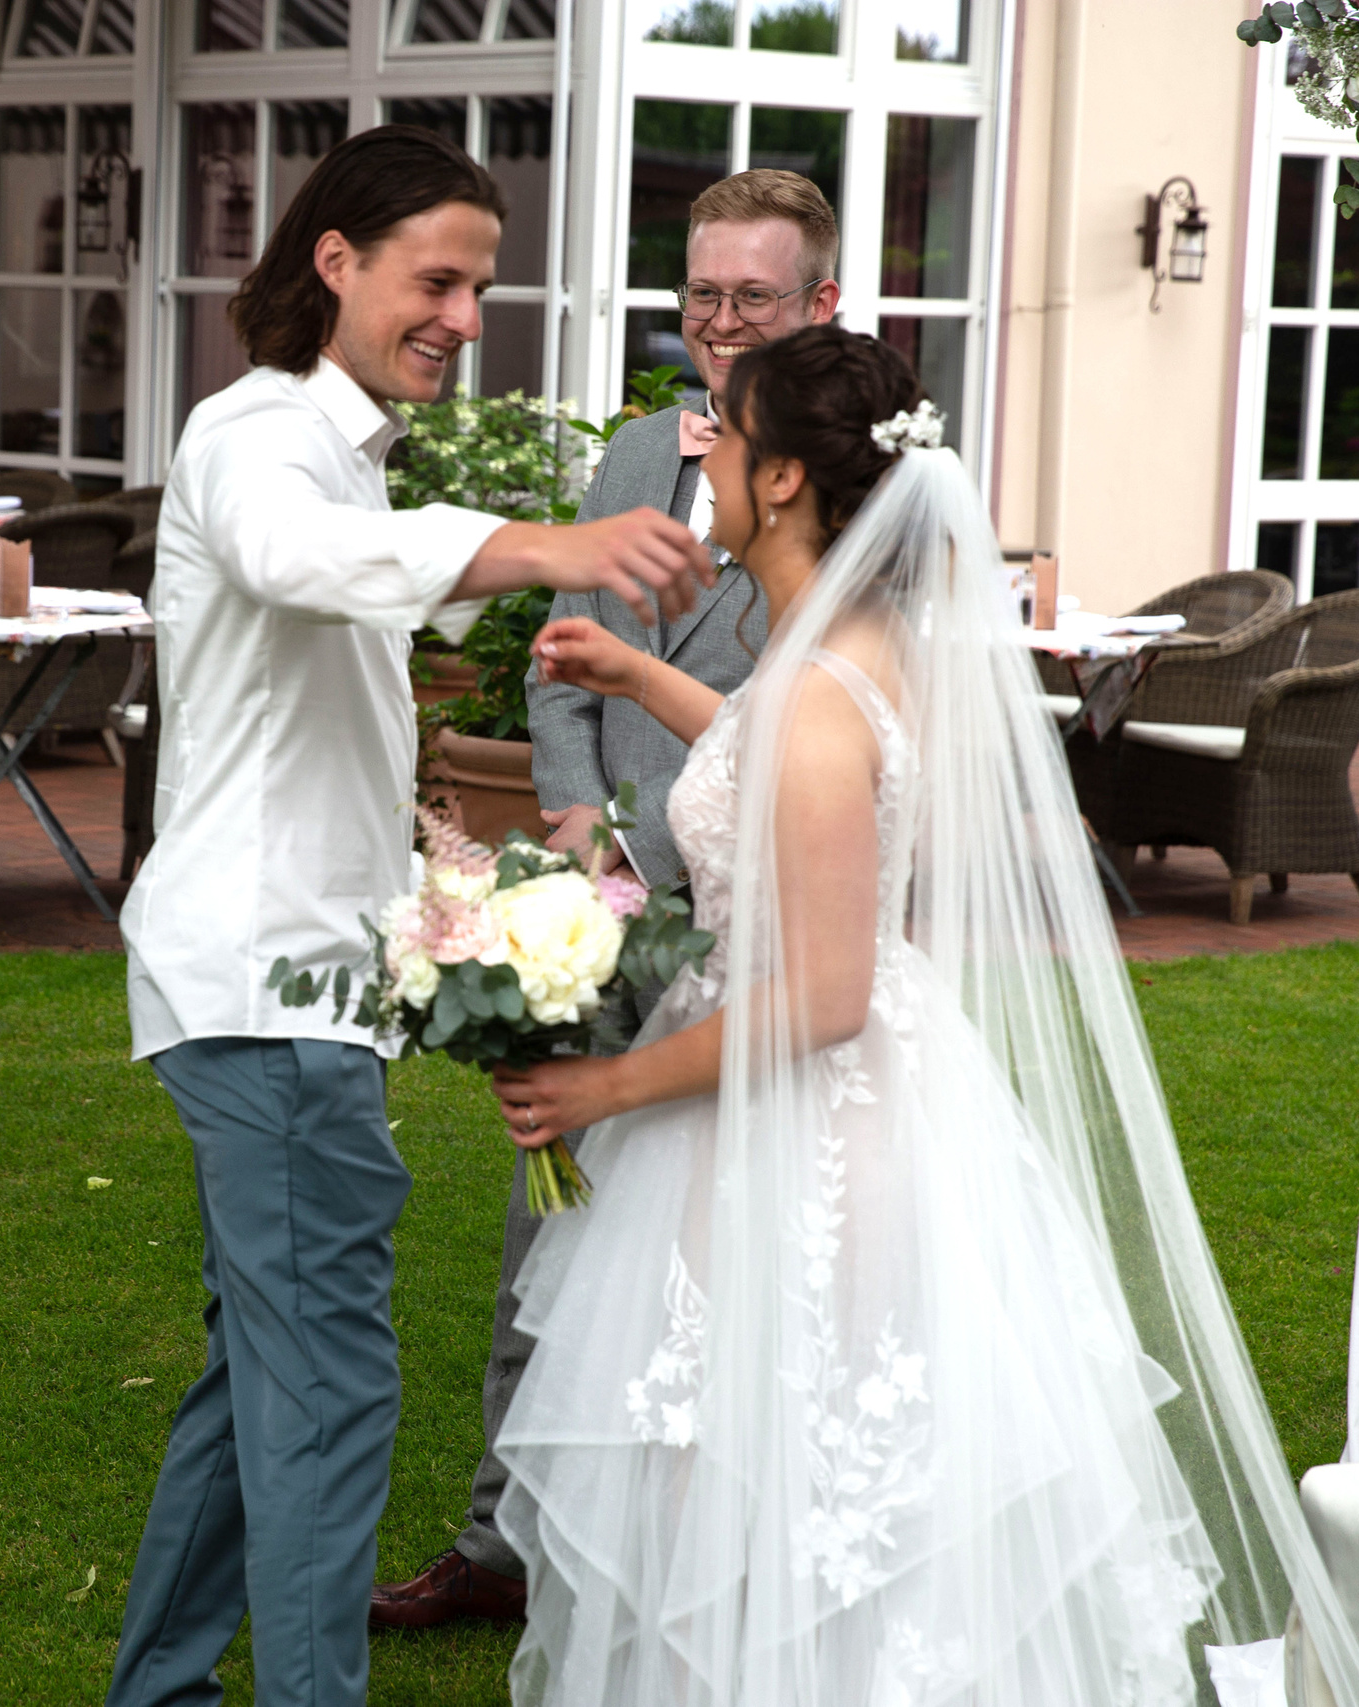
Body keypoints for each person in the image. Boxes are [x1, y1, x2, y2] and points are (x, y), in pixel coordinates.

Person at [484, 325, 1359, 1703]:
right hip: (828, 1092)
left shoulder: (815, 693)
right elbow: (757, 762)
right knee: (772, 1463)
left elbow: (827, 991)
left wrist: (606, 1089)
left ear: (783, 478)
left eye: (720, 436)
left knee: (785, 1468)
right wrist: (643, 678)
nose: (703, 459)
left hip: (806, 1119)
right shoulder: (841, 647)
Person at [107, 125, 714, 1707]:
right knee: (328, 1396)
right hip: (263, 992)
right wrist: (548, 542)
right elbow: (303, 559)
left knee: (260, 1380)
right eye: (436, 278)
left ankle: (160, 1687)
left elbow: (341, 636)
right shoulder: (254, 435)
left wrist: (445, 879)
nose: (461, 313)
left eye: (480, 286)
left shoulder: (342, 448)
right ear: (338, 261)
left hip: (295, 985)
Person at [374, 166, 843, 1631]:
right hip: (604, 897)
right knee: (550, 1231)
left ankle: (707, 1545)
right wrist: (576, 818)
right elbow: (557, 653)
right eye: (700, 296)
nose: (718, 324)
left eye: (750, 299)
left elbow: (821, 723)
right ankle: (503, 1537)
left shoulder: (860, 481)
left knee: (735, 1252)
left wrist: (678, 839)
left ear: (819, 303)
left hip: (755, 915)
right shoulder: (639, 450)